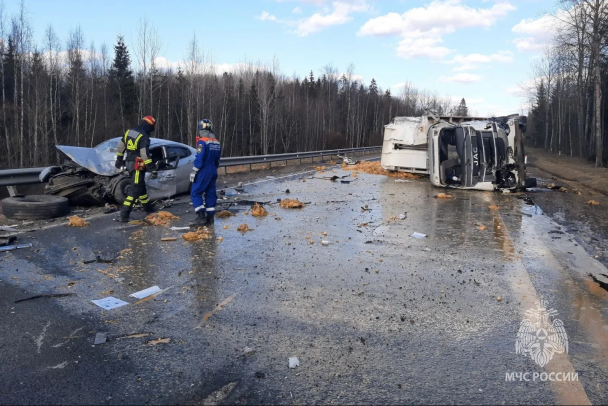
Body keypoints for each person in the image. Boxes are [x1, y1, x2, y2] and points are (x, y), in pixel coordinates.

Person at [114, 116, 158, 222]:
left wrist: (119, 160)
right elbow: (144, 154)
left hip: (129, 162)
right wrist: (152, 168)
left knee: (141, 187)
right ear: (149, 125)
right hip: (137, 165)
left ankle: (149, 209)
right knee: (135, 189)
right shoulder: (144, 136)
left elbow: (120, 146)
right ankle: (124, 214)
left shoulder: (130, 131)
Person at [190, 119, 221, 227]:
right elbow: (217, 159)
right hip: (213, 169)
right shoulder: (216, 142)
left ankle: (201, 217)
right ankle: (210, 217)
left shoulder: (202, 142)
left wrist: (195, 170)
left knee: (195, 192)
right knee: (210, 192)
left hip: (204, 169)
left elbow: (200, 158)